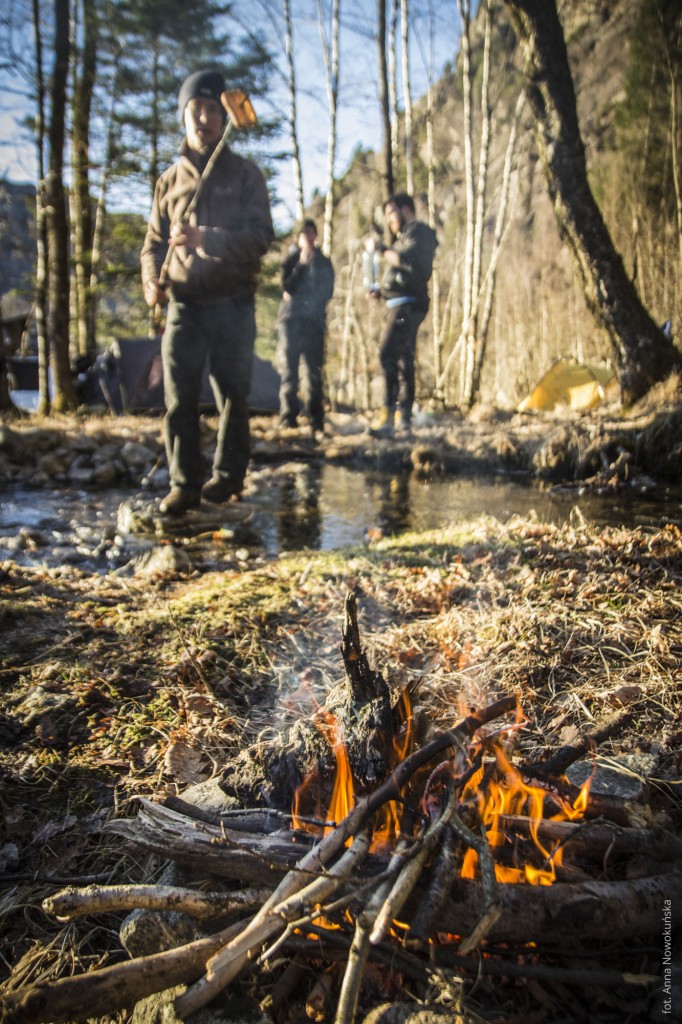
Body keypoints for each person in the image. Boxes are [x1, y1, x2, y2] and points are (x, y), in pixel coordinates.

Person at [141, 70, 274, 515]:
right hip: (184, 304)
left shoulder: (245, 174)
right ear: (183, 117)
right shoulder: (168, 181)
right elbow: (153, 244)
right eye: (195, 110)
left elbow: (260, 239)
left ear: (224, 116)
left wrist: (206, 239)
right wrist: (149, 281)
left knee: (233, 396)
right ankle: (184, 484)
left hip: (233, 303)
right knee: (178, 398)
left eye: (213, 110)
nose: (204, 118)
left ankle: (229, 478)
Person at [369, 193, 437, 437]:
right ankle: (404, 419)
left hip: (408, 305)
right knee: (403, 359)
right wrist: (383, 293)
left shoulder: (418, 233)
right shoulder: (406, 237)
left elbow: (408, 263)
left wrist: (384, 250)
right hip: (400, 302)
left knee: (387, 354)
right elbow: (403, 273)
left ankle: (388, 414)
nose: (388, 220)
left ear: (406, 209)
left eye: (391, 213)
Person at [276, 219, 334, 435]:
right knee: (289, 370)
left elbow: (327, 292)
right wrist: (301, 263)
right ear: (298, 237)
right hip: (290, 321)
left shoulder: (324, 263)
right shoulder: (290, 260)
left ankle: (316, 420)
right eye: (304, 233)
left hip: (314, 322)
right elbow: (286, 286)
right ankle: (287, 418)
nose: (308, 238)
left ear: (316, 236)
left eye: (311, 233)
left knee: (314, 373)